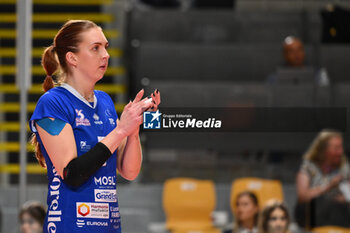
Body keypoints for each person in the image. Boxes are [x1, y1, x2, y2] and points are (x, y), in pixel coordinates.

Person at [29, 20, 160, 233]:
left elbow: (129, 171)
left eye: (106, 47)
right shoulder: (53, 102)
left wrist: (133, 131)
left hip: (108, 226)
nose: (105, 55)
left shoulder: (105, 101)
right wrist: (120, 131)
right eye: (95, 48)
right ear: (72, 58)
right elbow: (73, 174)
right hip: (70, 226)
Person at [295, 129, 350, 228]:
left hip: (338, 212)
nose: (341, 152)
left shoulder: (344, 167)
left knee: (336, 207)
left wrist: (343, 199)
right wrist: (328, 186)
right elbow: (302, 197)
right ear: (324, 150)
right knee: (321, 203)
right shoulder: (308, 167)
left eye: (341, 147)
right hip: (311, 212)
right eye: (336, 148)